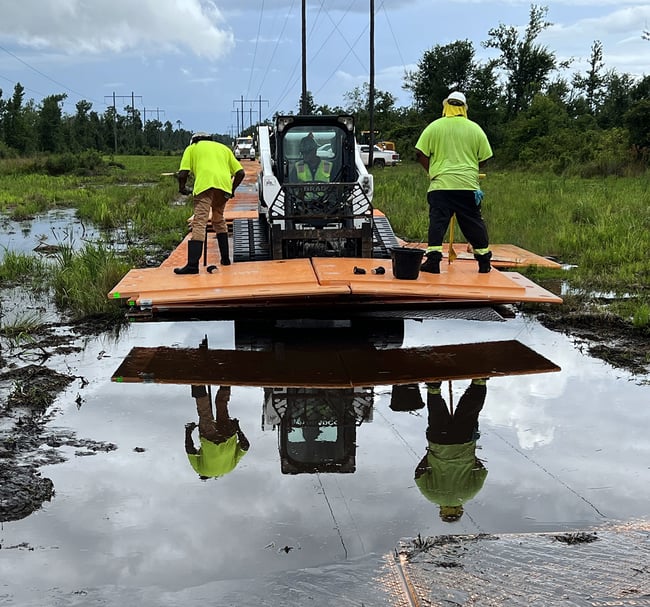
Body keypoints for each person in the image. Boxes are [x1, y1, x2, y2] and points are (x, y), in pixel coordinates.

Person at [415, 91, 493, 274]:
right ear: (464, 108)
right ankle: (484, 262)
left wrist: (432, 171)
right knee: (473, 222)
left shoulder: (434, 127)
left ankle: (433, 262)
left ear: (446, 106)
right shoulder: (475, 129)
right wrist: (471, 168)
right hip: (467, 186)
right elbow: (486, 157)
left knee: (438, 222)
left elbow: (419, 153)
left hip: (441, 186)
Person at [414, 379, 488, 522]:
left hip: (464, 441)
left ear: (460, 510)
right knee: (436, 414)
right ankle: (433, 388)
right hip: (438, 443)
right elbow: (418, 474)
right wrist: (430, 456)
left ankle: (479, 381)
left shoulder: (469, 494)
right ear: (441, 511)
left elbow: (481, 471)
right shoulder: (432, 496)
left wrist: (470, 458)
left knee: (470, 410)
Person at [175, 132, 245, 274]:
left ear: (194, 140)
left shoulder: (192, 148)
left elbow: (183, 173)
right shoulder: (223, 148)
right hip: (224, 186)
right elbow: (240, 173)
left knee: (200, 221)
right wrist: (231, 190)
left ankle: (193, 265)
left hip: (205, 185)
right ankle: (225, 259)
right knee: (218, 219)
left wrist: (182, 188)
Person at [185, 385, 249, 479]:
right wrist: (188, 431)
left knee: (222, 405)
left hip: (228, 435)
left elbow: (245, 447)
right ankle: (197, 380)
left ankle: (225, 379)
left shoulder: (230, 468)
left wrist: (237, 428)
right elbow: (190, 450)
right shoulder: (201, 470)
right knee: (204, 412)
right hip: (210, 440)